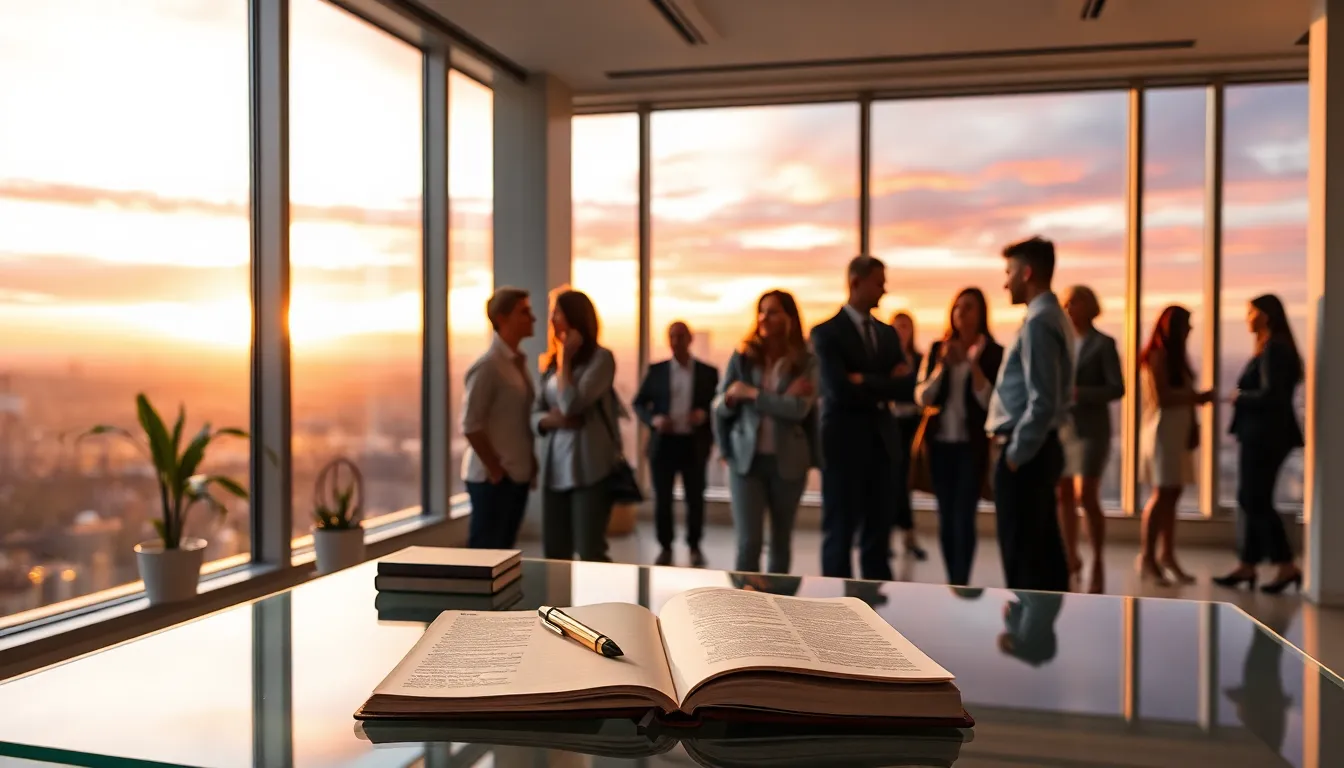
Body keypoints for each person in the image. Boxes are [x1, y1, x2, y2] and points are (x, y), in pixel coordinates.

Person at [811, 255, 913, 581]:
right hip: (843, 445)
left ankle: (874, 613)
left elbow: (906, 387)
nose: (884, 289)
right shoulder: (825, 333)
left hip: (882, 446)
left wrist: (864, 380)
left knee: (877, 538)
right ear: (856, 282)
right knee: (839, 534)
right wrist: (883, 382)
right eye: (878, 282)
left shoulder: (887, 335)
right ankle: (833, 619)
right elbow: (838, 389)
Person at [986, 236, 1074, 593]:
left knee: (1024, 557)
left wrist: (1015, 455)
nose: (1005, 282)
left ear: (1028, 272)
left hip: (1027, 456)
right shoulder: (1053, 317)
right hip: (1038, 451)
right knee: (1041, 551)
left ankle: (1027, 642)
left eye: (1009, 272)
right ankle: (1039, 640)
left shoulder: (1039, 323)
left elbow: (1043, 400)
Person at [714, 290, 818, 574]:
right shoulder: (744, 356)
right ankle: (745, 611)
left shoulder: (806, 361)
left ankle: (778, 608)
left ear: (790, 318)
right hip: (745, 460)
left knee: (781, 542)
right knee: (749, 543)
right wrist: (732, 399)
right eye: (761, 311)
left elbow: (799, 410)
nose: (764, 317)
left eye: (773, 311)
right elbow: (719, 406)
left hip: (789, 462)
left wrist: (752, 394)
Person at [1215, 294, 1305, 594]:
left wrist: (1239, 396)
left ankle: (1285, 565)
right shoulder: (1273, 348)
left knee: (1256, 500)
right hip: (1264, 435)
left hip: (1265, 436)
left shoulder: (1274, 350)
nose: (1247, 318)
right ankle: (1248, 564)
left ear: (1266, 315)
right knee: (1250, 498)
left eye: (1251, 312)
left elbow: (1272, 395)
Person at [914, 288, 1003, 586]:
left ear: (981, 315)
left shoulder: (993, 352)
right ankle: (952, 578)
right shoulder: (939, 348)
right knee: (946, 516)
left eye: (969, 308)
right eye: (958, 308)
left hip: (971, 447)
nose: (962, 314)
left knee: (964, 515)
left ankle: (961, 580)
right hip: (940, 446)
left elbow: (991, 403)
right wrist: (943, 366)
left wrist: (973, 366)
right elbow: (922, 396)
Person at [533, 287, 620, 562]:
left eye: (556, 313)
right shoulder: (549, 363)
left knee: (590, 549)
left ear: (574, 317)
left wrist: (566, 360)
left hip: (590, 469)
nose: (551, 320)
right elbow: (535, 413)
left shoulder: (601, 359)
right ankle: (557, 606)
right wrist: (550, 420)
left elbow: (571, 404)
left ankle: (603, 605)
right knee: (555, 553)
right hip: (554, 468)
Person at [632, 321, 719, 567]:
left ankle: (694, 545)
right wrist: (654, 420)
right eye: (672, 336)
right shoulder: (657, 370)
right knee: (663, 498)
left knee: (695, 497)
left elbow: (718, 405)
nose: (677, 341)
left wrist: (703, 415)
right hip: (664, 444)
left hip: (694, 443)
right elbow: (639, 403)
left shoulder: (707, 372)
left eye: (681, 336)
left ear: (690, 339)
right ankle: (665, 546)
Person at [1136, 305, 1212, 586]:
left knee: (1172, 491)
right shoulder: (1158, 356)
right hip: (1162, 432)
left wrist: (1192, 425)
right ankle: (1148, 556)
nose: (1190, 330)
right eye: (1187, 325)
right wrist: (1197, 397)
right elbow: (1164, 398)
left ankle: (1165, 554)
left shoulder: (1175, 359)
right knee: (1162, 492)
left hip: (1175, 431)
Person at [1057, 285, 1125, 594]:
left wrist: (1079, 393)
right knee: (1064, 494)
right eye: (1067, 303)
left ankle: (1097, 556)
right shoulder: (1061, 343)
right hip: (1064, 428)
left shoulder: (1104, 344)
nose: (1070, 308)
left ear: (1089, 305)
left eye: (1075, 302)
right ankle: (1071, 556)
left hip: (1092, 429)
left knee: (1088, 495)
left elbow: (1116, 388)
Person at [460, 287, 537, 549]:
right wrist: (495, 469)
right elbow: (470, 425)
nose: (533, 318)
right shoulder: (489, 366)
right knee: (484, 557)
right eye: (524, 312)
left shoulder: (516, 363)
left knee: (502, 554)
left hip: (514, 476)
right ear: (502, 318)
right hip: (493, 480)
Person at [889, 311, 928, 561]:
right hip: (892, 424)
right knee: (893, 481)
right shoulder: (887, 361)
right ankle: (904, 535)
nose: (903, 331)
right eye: (898, 326)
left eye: (906, 326)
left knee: (905, 480)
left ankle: (906, 534)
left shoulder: (920, 358)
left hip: (913, 425)